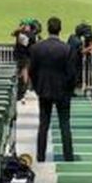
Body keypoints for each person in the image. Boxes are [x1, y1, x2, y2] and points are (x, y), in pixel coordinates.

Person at [29, 17, 77, 163]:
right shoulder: (67, 49)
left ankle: (41, 156)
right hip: (62, 91)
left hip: (44, 90)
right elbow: (71, 73)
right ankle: (68, 156)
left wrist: (37, 87)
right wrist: (68, 89)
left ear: (48, 28)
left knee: (43, 124)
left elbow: (32, 71)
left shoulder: (37, 48)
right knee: (64, 124)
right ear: (60, 29)